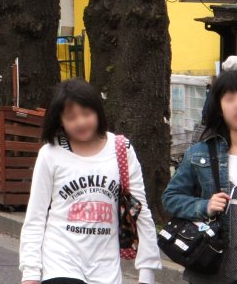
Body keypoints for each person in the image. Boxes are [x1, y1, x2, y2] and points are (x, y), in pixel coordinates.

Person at [20, 79, 159, 284]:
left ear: (98, 112)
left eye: (86, 114)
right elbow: (36, 215)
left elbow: (140, 210)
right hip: (60, 261)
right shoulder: (50, 154)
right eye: (71, 117)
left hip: (105, 268)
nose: (81, 122)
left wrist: (147, 271)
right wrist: (30, 272)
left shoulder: (121, 149)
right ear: (60, 120)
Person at [164, 69, 237, 284]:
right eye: (230, 99)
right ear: (220, 109)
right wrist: (204, 206)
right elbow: (170, 198)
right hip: (206, 266)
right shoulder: (199, 154)